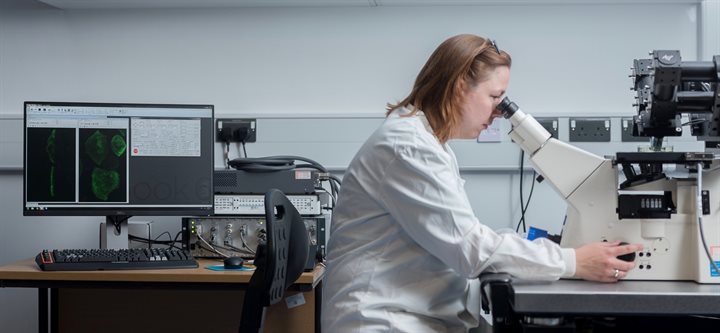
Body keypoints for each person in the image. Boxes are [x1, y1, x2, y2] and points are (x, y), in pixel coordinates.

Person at [321, 34, 643, 333]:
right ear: (460, 87)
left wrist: (546, 252)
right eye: (494, 97)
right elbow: (471, 249)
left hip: (417, 314)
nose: (498, 113)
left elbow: (464, 234)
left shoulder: (428, 143)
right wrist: (574, 261)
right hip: (385, 321)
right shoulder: (408, 147)